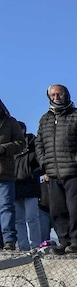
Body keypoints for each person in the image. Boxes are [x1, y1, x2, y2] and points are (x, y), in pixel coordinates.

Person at [35, 84, 77, 254]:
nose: (56, 98)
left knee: (75, 209)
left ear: (66, 95)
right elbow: (39, 143)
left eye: (59, 94)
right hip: (53, 174)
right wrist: (44, 163)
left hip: (76, 173)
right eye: (53, 95)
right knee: (57, 210)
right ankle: (64, 241)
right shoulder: (45, 119)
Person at [0, 99, 24, 250]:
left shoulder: (10, 122)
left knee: (6, 207)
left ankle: (9, 240)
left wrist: (3, 148)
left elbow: (20, 143)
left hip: (5, 173)